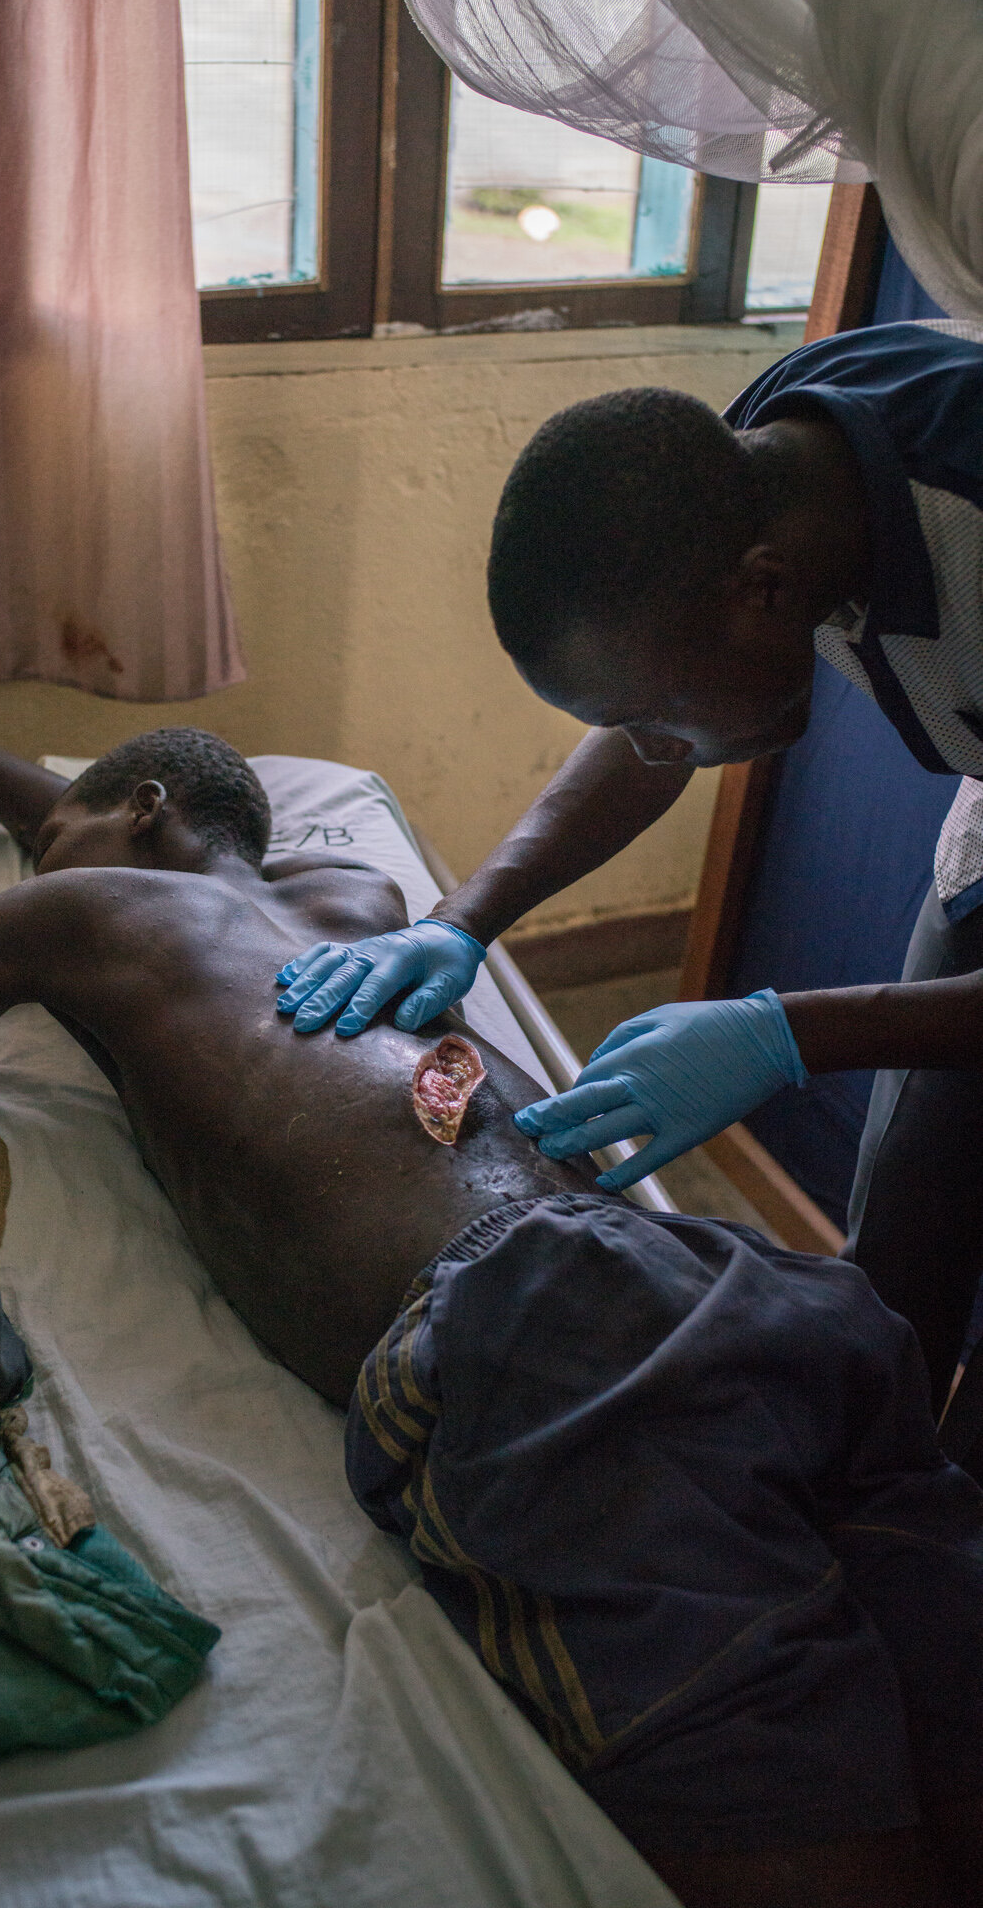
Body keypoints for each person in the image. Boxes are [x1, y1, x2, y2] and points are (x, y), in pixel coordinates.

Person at [0, 713, 983, 1908]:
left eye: (50, 842)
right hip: (715, 1278)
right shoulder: (359, 896)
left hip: (530, 1331)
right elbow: (105, 817)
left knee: (773, 1788)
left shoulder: (73, 909)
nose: (35, 858)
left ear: (140, 812)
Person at [277, 320, 983, 1414]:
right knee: (909, 1228)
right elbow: (648, 731)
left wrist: (786, 1031)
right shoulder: (768, 464)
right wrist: (462, 920)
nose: (659, 744)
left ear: (761, 589)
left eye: (659, 714)